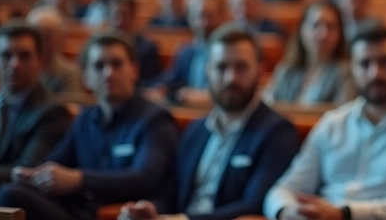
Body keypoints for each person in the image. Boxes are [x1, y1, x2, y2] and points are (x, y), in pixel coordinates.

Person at [264, 25, 386, 220]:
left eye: (385, 62)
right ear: (352, 69)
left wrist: (345, 214)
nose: (375, 74)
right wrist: (287, 211)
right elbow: (284, 189)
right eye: (365, 64)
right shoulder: (332, 124)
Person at [118, 25, 299, 220]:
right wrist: (151, 210)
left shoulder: (278, 131)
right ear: (208, 71)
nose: (231, 78)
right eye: (221, 67)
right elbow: (170, 193)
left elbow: (254, 204)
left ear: (260, 71)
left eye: (241, 67)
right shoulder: (195, 130)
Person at [0, 32, 178, 220]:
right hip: (78, 209)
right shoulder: (85, 118)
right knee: (11, 192)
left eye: (116, 64)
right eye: (99, 66)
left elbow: (146, 177)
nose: (108, 73)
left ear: (134, 70)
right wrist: (34, 175)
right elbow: (56, 161)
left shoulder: (154, 119)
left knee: (9, 195)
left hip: (119, 213)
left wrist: (79, 180)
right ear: (86, 78)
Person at [0, 24, 72, 200]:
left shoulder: (53, 113)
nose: (14, 64)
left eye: (24, 56)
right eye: (6, 55)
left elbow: (27, 171)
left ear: (40, 61)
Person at [264, 1, 354, 106]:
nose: (322, 33)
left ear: (340, 34)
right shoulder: (286, 69)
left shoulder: (346, 73)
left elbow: (343, 113)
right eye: (315, 25)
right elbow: (268, 104)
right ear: (302, 29)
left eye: (330, 27)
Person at [150, 0, 225, 107]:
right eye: (200, 16)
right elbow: (169, 79)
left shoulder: (230, 53)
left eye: (210, 16)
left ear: (222, 17)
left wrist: (207, 97)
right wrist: (158, 89)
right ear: (190, 18)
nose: (204, 22)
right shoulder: (186, 52)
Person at [27, 6, 85, 94]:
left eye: (47, 37)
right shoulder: (20, 67)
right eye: (37, 37)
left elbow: (71, 102)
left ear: (60, 39)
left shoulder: (69, 73)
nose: (41, 43)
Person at [107, 0, 163, 87]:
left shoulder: (147, 49)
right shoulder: (102, 49)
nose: (119, 21)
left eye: (124, 15)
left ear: (133, 17)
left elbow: (151, 84)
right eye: (115, 15)